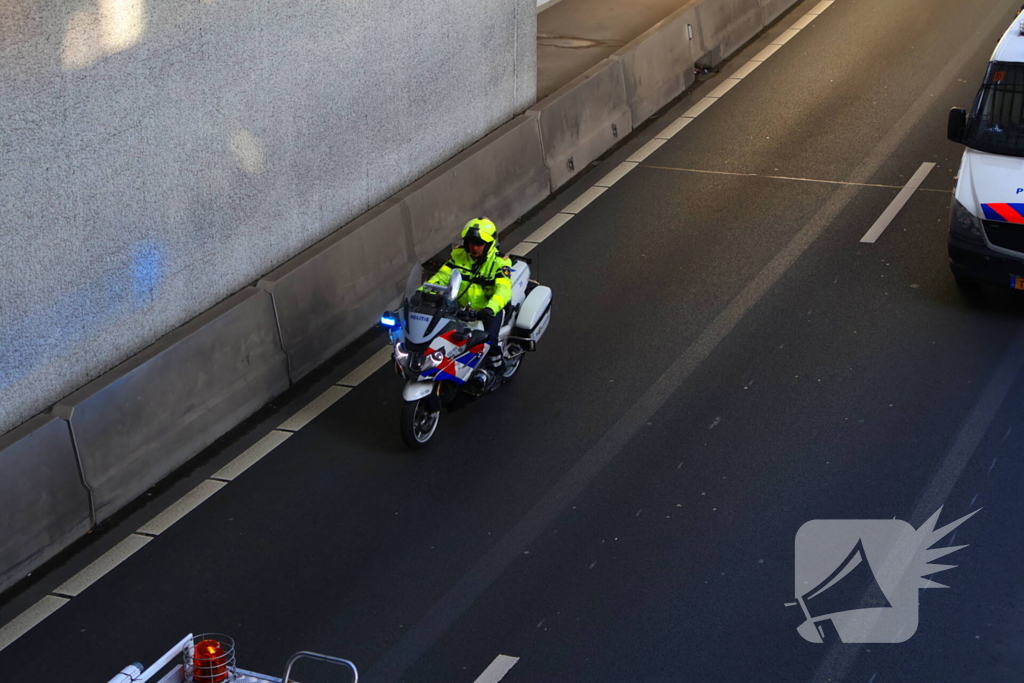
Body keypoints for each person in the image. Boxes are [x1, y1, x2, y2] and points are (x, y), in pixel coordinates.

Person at [426, 217, 513, 372]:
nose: (474, 247)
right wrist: (423, 292)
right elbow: (442, 277)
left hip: (486, 310)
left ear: (489, 244)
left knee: (489, 340)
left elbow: (503, 290)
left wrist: (490, 309)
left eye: (479, 244)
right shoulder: (458, 255)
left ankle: (499, 368)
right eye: (470, 243)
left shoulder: (500, 263)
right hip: (459, 307)